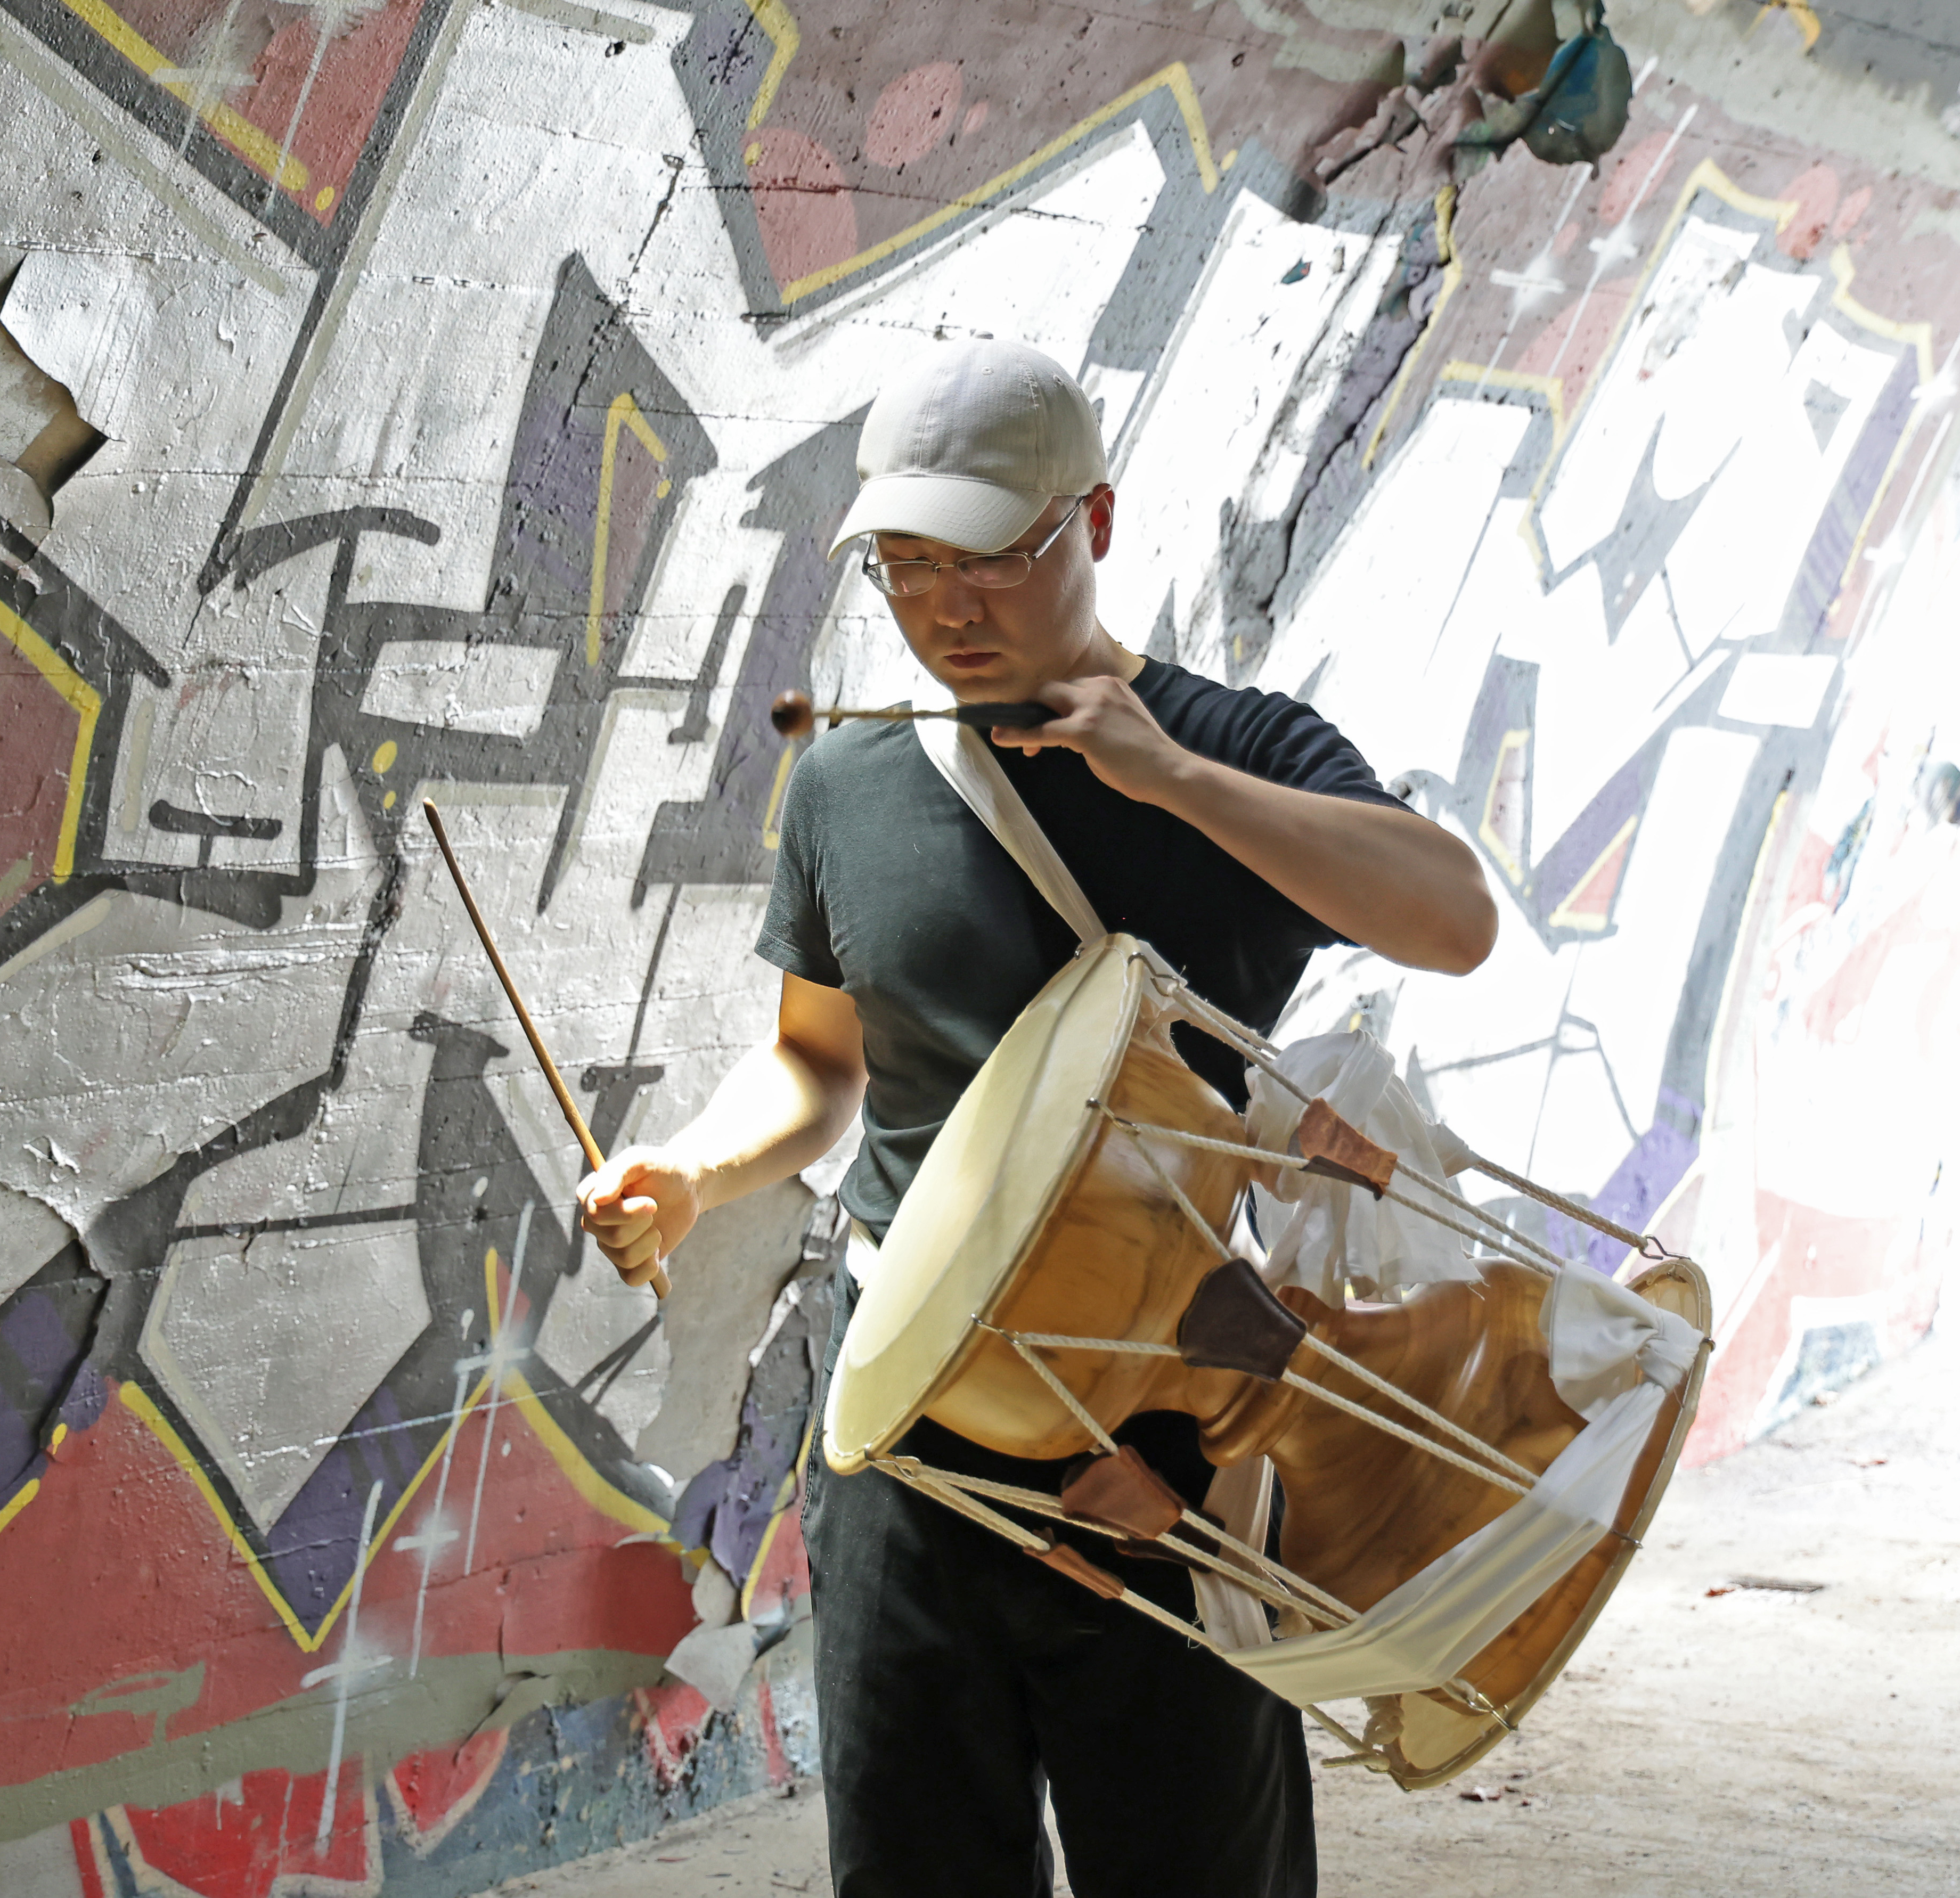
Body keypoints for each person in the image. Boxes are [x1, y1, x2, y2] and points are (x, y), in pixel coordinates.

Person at [577, 340, 1497, 1897]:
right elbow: (819, 1063)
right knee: (912, 1865)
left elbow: (1452, 919)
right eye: (907, 565)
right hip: (904, 1423)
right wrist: (694, 1172)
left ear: (1096, 525)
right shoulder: (849, 778)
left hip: (1162, 1436)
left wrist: (1170, 777)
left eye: (991, 558)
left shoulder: (1233, 744)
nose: (947, 606)